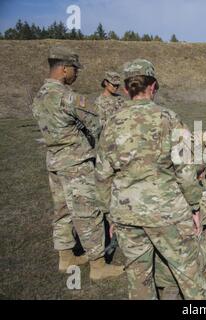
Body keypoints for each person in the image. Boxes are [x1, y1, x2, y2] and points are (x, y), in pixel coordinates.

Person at [95, 58, 206, 300]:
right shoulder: (169, 118)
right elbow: (187, 171)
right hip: (167, 212)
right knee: (189, 274)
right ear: (154, 86)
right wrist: (194, 206)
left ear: (126, 89)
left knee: (139, 280)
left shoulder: (111, 124)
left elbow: (102, 175)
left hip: (126, 213)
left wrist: (110, 213)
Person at [31, 46, 123, 280]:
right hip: (76, 164)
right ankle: (98, 266)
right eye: (74, 69)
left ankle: (65, 257)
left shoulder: (40, 95)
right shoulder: (69, 97)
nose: (77, 73)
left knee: (61, 211)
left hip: (54, 161)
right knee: (88, 213)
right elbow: (97, 125)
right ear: (63, 69)